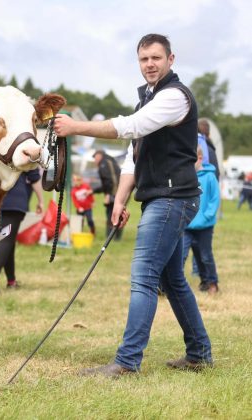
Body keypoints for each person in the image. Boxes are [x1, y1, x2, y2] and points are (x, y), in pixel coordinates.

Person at [54, 33, 213, 376]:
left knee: (143, 277)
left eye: (156, 58)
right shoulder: (149, 98)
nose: (150, 64)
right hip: (160, 197)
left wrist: (74, 126)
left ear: (171, 59)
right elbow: (133, 154)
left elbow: (131, 127)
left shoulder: (174, 96)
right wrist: (120, 198)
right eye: (144, 59)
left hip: (173, 198)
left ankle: (127, 362)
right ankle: (199, 352)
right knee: (173, 280)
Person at [0, 168, 44, 295]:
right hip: (14, 203)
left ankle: (11, 281)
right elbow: (34, 177)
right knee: (6, 241)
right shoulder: (26, 150)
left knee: (8, 240)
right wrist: (41, 201)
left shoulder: (0, 149)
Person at [183, 146, 220, 295]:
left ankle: (211, 282)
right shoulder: (185, 176)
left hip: (205, 226)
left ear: (199, 158)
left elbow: (214, 199)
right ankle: (171, 286)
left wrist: (206, 217)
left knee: (204, 256)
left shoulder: (210, 177)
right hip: (186, 225)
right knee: (181, 255)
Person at [92, 150, 123, 240]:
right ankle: (117, 238)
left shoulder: (103, 164)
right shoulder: (111, 161)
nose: (94, 160)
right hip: (121, 193)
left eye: (95, 157)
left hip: (114, 193)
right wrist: (94, 191)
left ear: (99, 155)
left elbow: (109, 181)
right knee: (119, 214)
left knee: (111, 214)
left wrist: (109, 195)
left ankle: (110, 237)